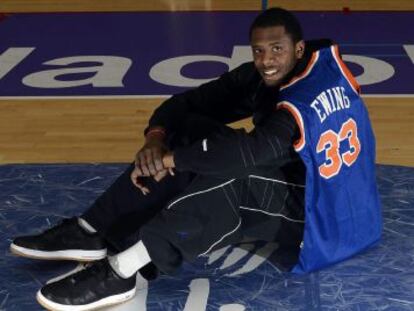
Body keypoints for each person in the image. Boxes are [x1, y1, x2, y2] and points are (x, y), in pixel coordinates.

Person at [10, 7, 382, 311]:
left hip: (322, 211)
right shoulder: (268, 75)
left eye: (276, 50)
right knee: (189, 130)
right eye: (258, 50)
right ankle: (93, 232)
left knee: (232, 180)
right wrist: (157, 140)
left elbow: (249, 153)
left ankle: (123, 271)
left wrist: (173, 162)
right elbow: (187, 103)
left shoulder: (300, 99)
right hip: (304, 177)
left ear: (298, 49)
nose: (266, 60)